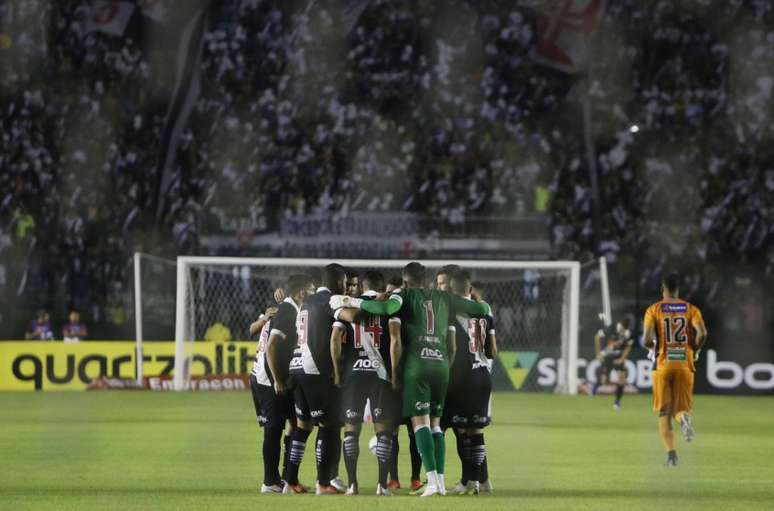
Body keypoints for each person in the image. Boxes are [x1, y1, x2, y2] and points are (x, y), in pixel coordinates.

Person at [330, 261, 490, 497]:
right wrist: (478, 298)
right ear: (426, 281)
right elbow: (482, 310)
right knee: (436, 425)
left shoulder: (402, 295)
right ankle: (441, 482)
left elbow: (384, 311)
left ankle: (432, 481)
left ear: (405, 281)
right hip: (442, 365)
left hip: (419, 365)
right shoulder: (443, 298)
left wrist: (353, 301)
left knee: (421, 423)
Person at [331, 270, 402, 496]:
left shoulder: (351, 305)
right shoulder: (389, 306)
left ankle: (352, 485)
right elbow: (395, 340)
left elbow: (334, 340)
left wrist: (338, 372)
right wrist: (394, 373)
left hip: (354, 374)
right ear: (382, 287)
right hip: (380, 374)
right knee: (384, 432)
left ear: (362, 286)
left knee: (351, 431)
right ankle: (382, 485)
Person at [285, 264, 348, 495]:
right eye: (343, 282)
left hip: (297, 366)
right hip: (315, 369)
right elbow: (340, 328)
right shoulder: (330, 301)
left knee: (303, 426)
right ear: (338, 282)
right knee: (329, 425)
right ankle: (324, 483)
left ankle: (290, 481)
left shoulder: (307, 302)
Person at [249, 274, 314, 494]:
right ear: (301, 293)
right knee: (274, 429)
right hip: (268, 379)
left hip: (270, 375)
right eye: (311, 290)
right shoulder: (286, 311)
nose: (313, 294)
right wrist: (277, 379)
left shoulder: (286, 309)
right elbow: (272, 347)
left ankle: (286, 479)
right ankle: (270, 482)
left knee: (294, 423)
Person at [642, 273, 708, 467]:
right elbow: (702, 333)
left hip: (662, 364)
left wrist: (652, 348)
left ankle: (672, 456)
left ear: (663, 289)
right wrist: (695, 349)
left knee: (664, 412)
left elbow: (646, 339)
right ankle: (684, 419)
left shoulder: (653, 310)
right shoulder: (691, 309)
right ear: (678, 290)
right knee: (680, 409)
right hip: (684, 363)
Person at [444, 269, 497, 495]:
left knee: (463, 431)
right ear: (470, 289)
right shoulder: (485, 312)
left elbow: (452, 347)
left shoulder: (450, 311)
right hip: (483, 375)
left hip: (461, 376)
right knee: (476, 431)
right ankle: (477, 481)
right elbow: (493, 351)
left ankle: (468, 481)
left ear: (451, 290)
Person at [592, 318, 634, 409]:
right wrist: (598, 353)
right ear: (620, 325)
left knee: (622, 379)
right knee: (604, 381)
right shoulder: (610, 328)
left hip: (618, 358)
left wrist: (622, 358)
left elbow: (628, 346)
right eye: (622, 328)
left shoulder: (627, 333)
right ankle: (595, 386)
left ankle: (617, 402)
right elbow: (597, 337)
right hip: (607, 356)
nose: (623, 331)